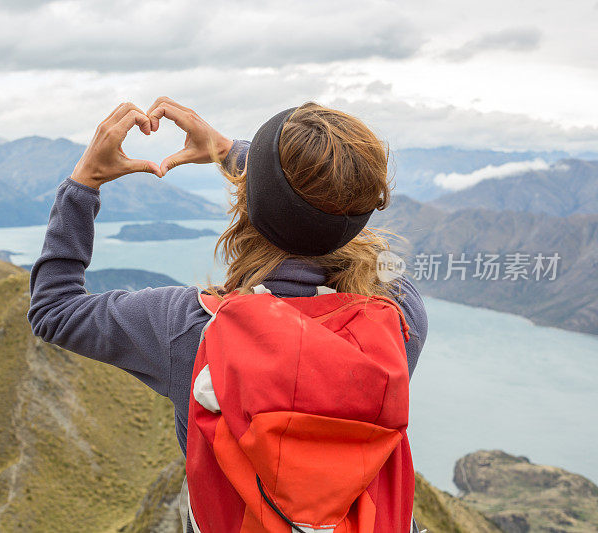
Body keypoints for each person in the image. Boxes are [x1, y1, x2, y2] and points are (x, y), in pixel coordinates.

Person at [27, 98, 428, 531]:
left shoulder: (190, 329)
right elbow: (348, 219)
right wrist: (234, 152)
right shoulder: (398, 318)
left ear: (248, 204)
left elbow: (54, 308)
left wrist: (84, 183)